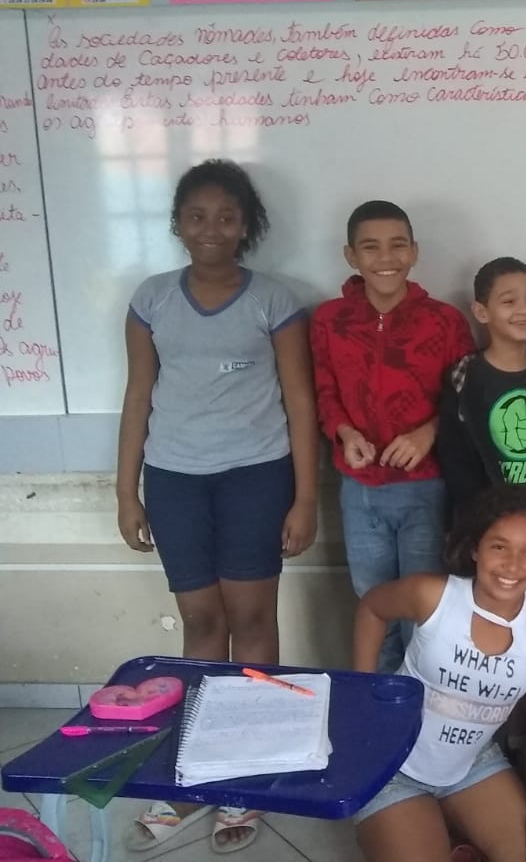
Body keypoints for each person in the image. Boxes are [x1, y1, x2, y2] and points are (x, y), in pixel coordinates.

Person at [115, 159, 318, 853]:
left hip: (257, 479)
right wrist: (126, 491)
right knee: (201, 622)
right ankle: (192, 772)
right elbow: (138, 397)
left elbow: (300, 403)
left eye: (226, 216)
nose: (211, 228)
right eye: (197, 216)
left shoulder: (274, 301)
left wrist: (306, 498)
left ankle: (246, 774)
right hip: (175, 481)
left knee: (253, 620)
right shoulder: (150, 300)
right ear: (178, 224)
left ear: (246, 225)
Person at [352, 487, 526, 862]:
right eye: (499, 546)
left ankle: (455, 837)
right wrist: (364, 692)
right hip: (392, 766)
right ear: (475, 549)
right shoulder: (434, 595)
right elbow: (373, 608)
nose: (512, 565)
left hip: (471, 764)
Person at [311, 199, 473, 672]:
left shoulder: (444, 321)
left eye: (398, 245)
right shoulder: (330, 321)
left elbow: (466, 397)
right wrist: (343, 432)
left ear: (414, 252)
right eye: (370, 247)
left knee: (422, 612)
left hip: (426, 487)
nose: (386, 258)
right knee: (374, 605)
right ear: (350, 256)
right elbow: (323, 391)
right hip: (359, 491)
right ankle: (381, 700)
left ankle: (423, 704)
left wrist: (429, 433)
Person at [436, 257, 526, 519]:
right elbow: (456, 461)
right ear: (481, 312)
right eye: (509, 301)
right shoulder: (463, 378)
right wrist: (480, 520)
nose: (524, 310)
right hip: (492, 521)